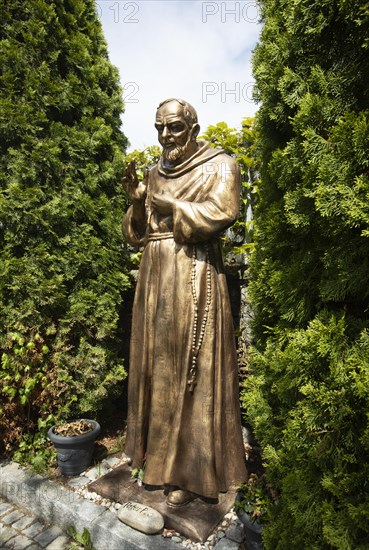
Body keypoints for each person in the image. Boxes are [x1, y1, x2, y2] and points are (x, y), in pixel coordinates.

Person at [122, 98, 247, 508]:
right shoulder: (155, 172)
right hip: (155, 275)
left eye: (173, 127)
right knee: (156, 369)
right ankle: (151, 459)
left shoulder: (220, 164)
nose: (164, 136)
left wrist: (172, 205)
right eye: (159, 127)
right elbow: (138, 233)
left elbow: (224, 211)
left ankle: (190, 474)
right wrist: (138, 201)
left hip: (194, 275)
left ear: (192, 127)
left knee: (191, 371)